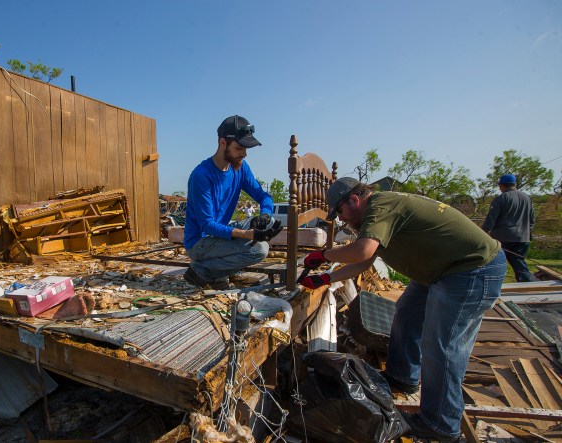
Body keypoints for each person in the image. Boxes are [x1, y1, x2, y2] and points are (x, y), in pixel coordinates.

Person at [297, 177, 505, 442]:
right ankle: (402, 376)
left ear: (354, 200)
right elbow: (364, 262)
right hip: (441, 270)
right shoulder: (377, 214)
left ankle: (440, 424)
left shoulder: (380, 205)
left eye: (339, 211)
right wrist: (325, 278)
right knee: (406, 313)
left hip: (470, 270)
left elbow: (362, 251)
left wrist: (324, 256)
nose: (340, 219)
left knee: (442, 346)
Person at [183, 115, 282, 289]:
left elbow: (263, 196)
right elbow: (207, 225)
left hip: (218, 236)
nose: (244, 154)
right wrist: (247, 235)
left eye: (246, 149)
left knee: (269, 222)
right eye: (239, 148)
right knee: (260, 249)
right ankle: (201, 270)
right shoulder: (201, 176)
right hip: (199, 243)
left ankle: (217, 271)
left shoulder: (241, 167)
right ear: (223, 143)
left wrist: (264, 216)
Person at [482, 173, 538, 282]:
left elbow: (491, 220)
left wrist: (482, 233)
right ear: (514, 184)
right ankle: (527, 284)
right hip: (523, 238)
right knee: (519, 261)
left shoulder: (501, 198)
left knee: (495, 263)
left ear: (502, 185)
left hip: (504, 238)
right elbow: (532, 220)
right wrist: (527, 232)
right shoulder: (527, 198)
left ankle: (491, 286)